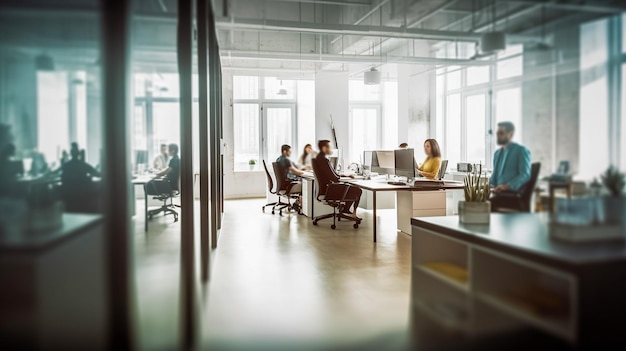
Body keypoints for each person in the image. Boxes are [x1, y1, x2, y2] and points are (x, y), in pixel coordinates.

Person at [313, 140, 362, 219]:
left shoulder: (318, 158)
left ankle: (345, 210)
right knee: (358, 190)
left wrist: (342, 175)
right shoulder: (324, 160)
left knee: (349, 187)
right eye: (330, 147)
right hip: (329, 190)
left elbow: (330, 175)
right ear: (325, 148)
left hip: (325, 189)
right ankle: (350, 213)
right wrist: (342, 176)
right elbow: (334, 178)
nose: (331, 149)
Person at [490, 121, 531, 195]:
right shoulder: (497, 154)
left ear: (511, 134)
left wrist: (506, 186)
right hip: (497, 193)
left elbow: (525, 175)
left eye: (501, 133)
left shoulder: (521, 151)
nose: (498, 136)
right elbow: (494, 178)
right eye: (497, 133)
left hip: (512, 194)